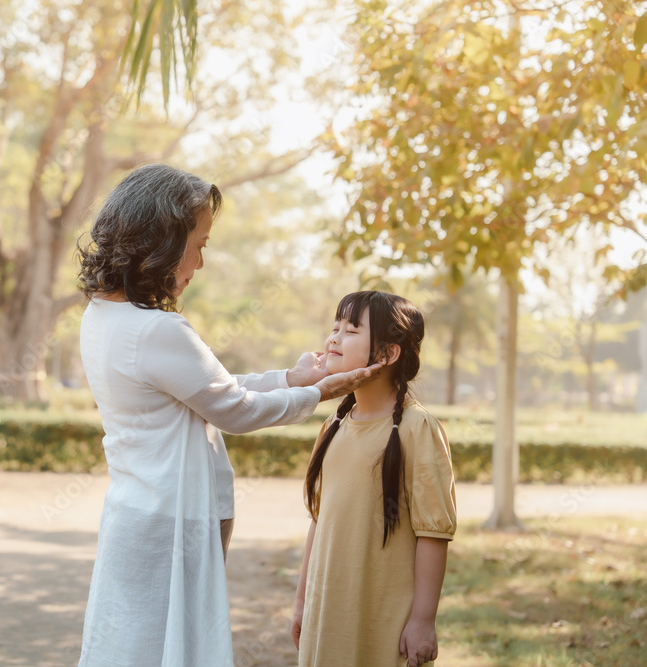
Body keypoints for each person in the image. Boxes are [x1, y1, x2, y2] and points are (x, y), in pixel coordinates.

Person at [74, 163, 382, 667]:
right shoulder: (158, 330)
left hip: (138, 511)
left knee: (133, 646)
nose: (200, 262)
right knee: (169, 649)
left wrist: (291, 379)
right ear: (162, 241)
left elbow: (207, 389)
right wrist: (319, 392)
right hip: (171, 523)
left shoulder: (103, 314)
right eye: (198, 245)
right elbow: (234, 409)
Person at [290, 290, 457, 667]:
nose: (334, 338)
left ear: (387, 354)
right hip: (328, 615)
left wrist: (422, 621)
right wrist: (302, 603)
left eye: (351, 330)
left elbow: (433, 532)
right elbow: (318, 521)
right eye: (334, 327)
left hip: (383, 622)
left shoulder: (417, 428)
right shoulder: (333, 426)